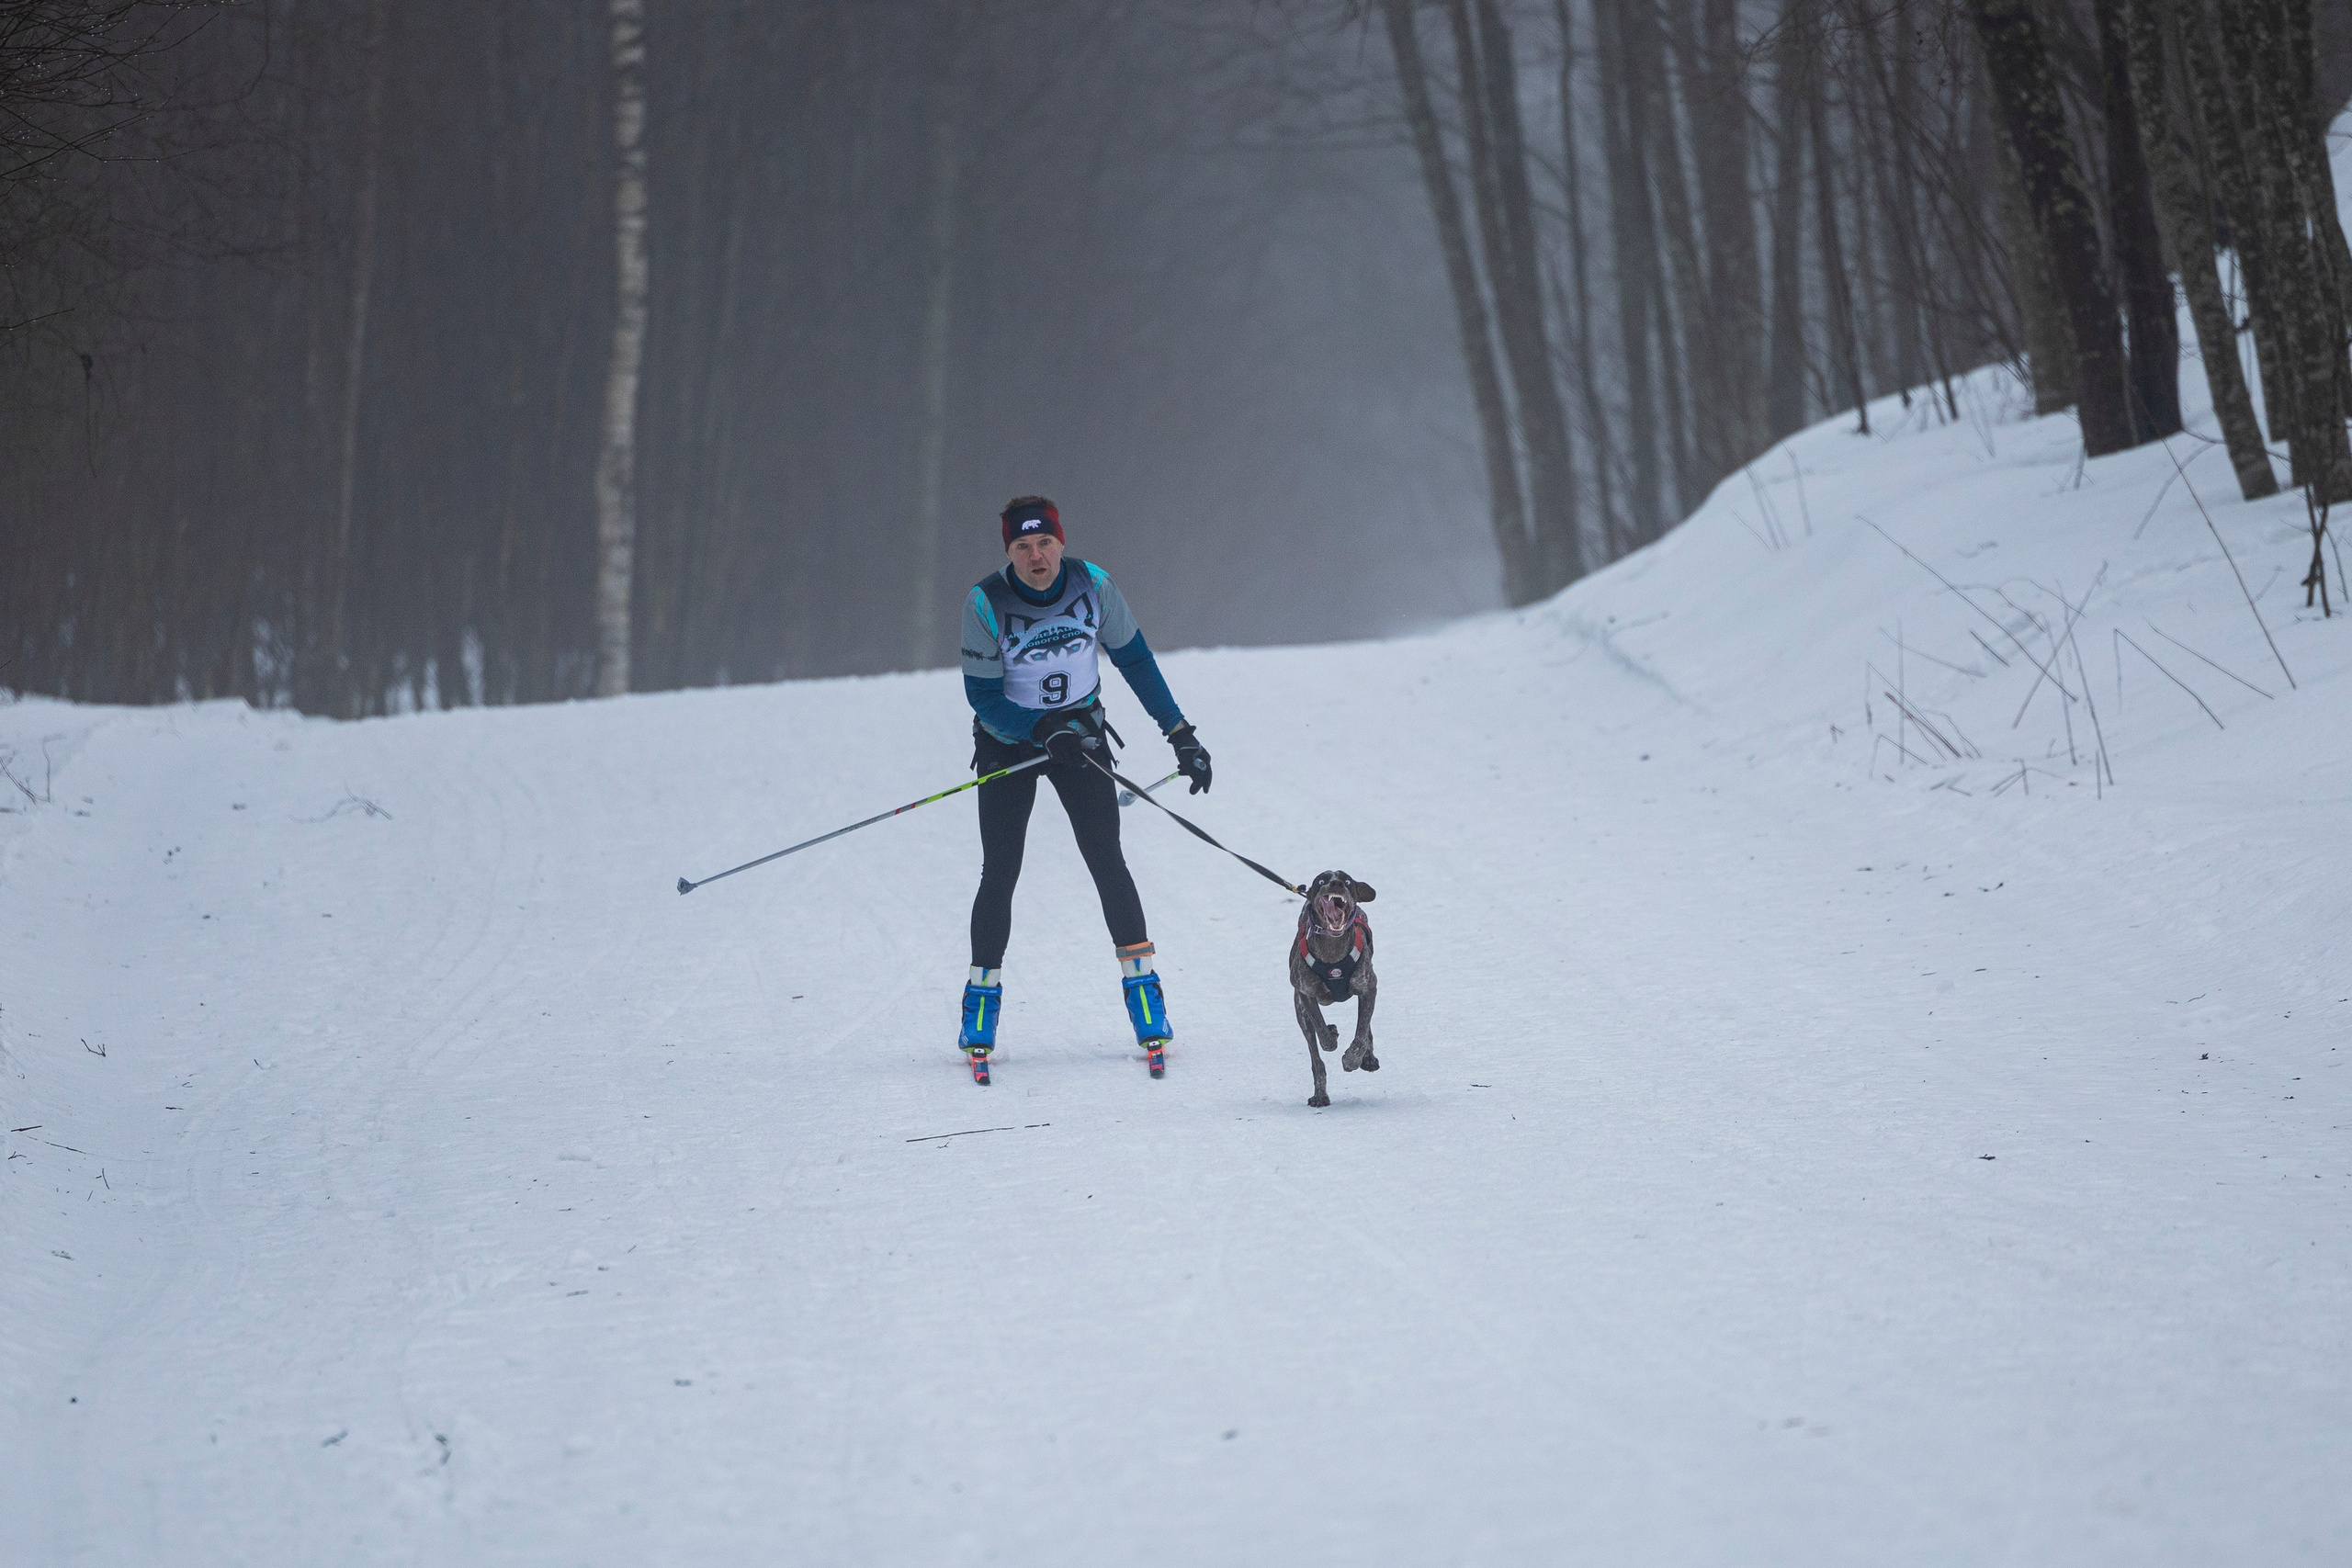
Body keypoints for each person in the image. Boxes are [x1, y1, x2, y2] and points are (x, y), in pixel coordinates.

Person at [956, 496, 1212, 1081]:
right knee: (1001, 870)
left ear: (1061, 543)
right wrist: (1039, 729)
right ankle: (980, 1010)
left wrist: (1180, 734)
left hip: (1081, 735)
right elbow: (984, 698)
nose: (1036, 556)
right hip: (1009, 742)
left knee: (1107, 860)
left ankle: (1146, 1000)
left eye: (1044, 543)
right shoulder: (985, 603)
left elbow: (1137, 661)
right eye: (1022, 547)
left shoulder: (1093, 586)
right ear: (1009, 554)